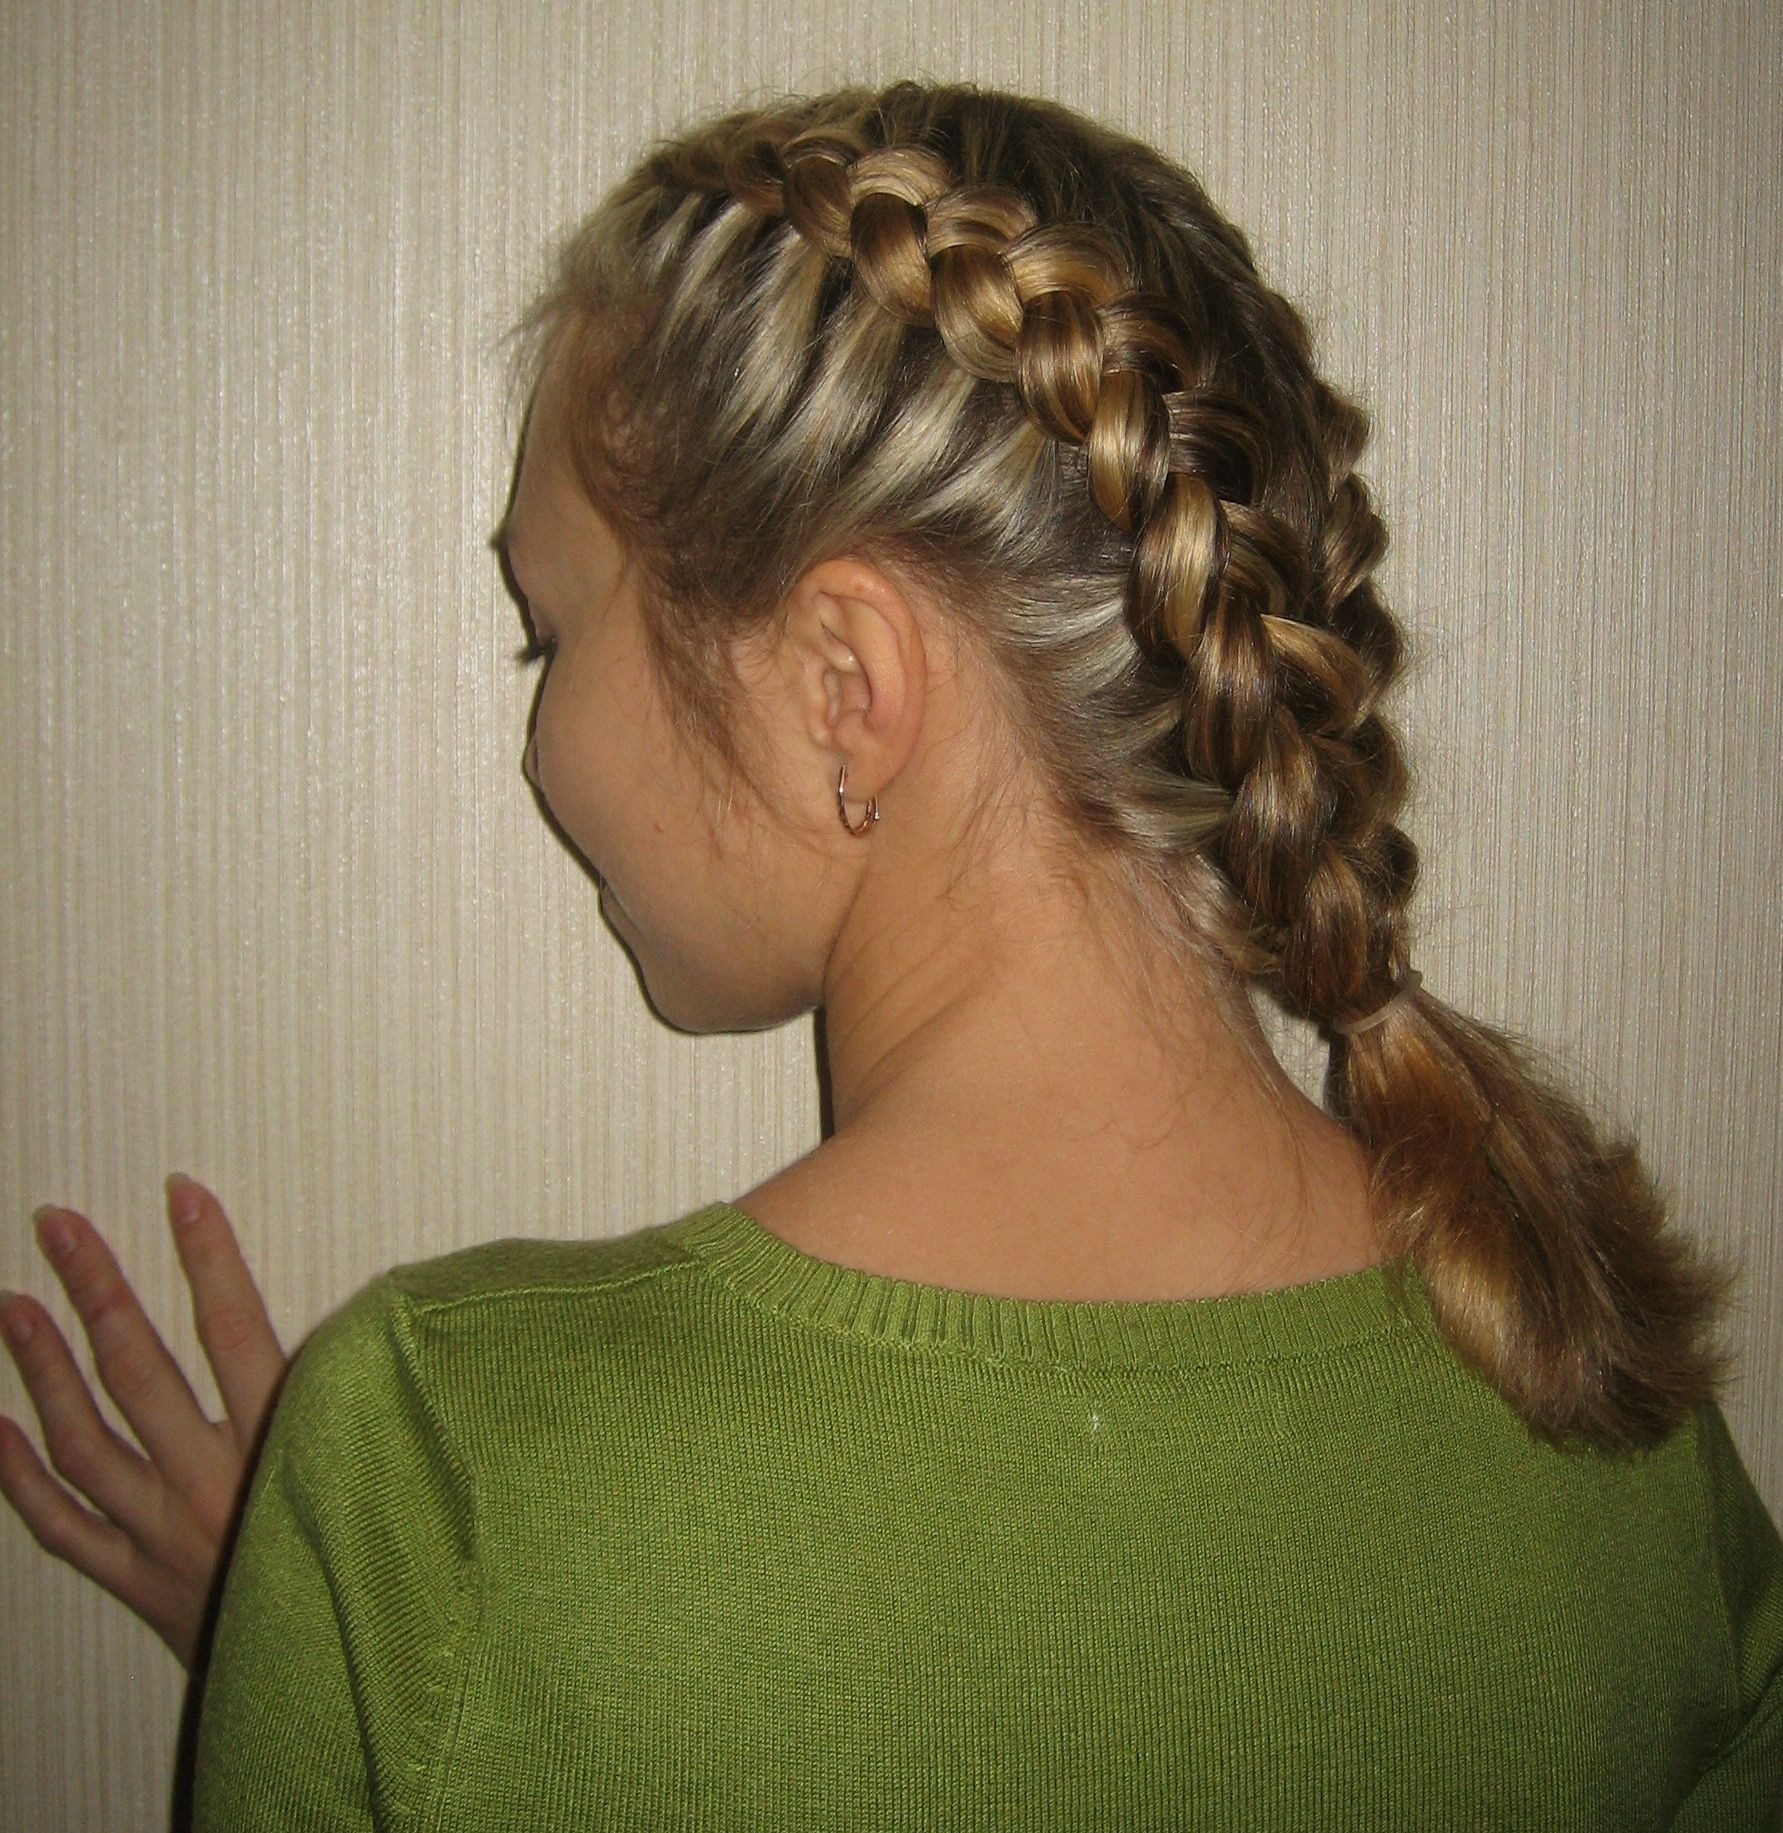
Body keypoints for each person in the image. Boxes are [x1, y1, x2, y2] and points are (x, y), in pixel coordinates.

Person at [2, 78, 1780, 1828]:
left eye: (550, 632)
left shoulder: (448, 1485)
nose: (541, 748)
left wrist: (355, 1652)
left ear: (842, 688)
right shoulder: (1599, 1407)